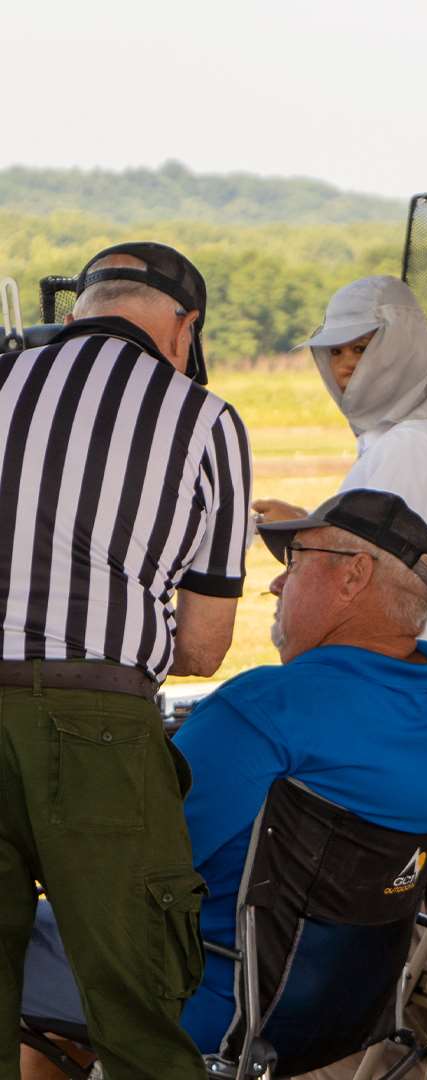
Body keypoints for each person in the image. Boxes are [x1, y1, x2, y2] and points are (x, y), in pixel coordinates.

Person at [18, 489, 427, 1077]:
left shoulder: (262, 710)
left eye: (293, 562)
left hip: (212, 1001)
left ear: (354, 576)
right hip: (348, 1014)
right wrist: (391, 877)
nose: (274, 585)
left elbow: (127, 867)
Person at [0, 242, 250, 1079]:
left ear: (79, 308)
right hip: (99, 721)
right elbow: (207, 645)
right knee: (138, 1016)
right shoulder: (204, 418)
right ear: (184, 328)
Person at [253, 276, 427, 654]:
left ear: (403, 351)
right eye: (335, 352)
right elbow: (376, 544)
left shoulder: (407, 447)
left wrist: (299, 539)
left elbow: (365, 577)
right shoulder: (403, 439)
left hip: (388, 676)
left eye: (360, 348)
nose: (345, 365)